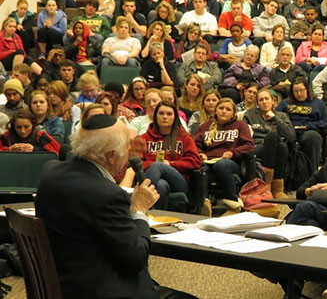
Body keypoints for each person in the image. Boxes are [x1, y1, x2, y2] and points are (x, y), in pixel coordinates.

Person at [36, 114, 195, 298]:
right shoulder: (107, 194)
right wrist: (139, 210)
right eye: (128, 145)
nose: (130, 150)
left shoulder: (51, 173)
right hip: (101, 289)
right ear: (111, 156)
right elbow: (136, 258)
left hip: (65, 282)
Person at [138, 101, 201, 209]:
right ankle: (157, 219)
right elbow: (137, 163)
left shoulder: (184, 137)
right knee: (161, 185)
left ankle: (140, 201)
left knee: (158, 165)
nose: (165, 117)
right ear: (155, 116)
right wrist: (153, 164)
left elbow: (195, 162)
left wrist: (171, 164)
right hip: (154, 179)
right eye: (161, 113)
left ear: (175, 117)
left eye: (169, 114)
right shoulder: (144, 138)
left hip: (179, 181)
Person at [193, 98, 254, 205]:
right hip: (208, 160)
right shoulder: (205, 126)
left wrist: (232, 152)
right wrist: (200, 153)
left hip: (230, 162)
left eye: (228, 109)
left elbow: (248, 146)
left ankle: (233, 200)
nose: (224, 111)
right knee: (199, 167)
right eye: (221, 108)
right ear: (216, 110)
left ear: (233, 114)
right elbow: (193, 144)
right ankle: (201, 203)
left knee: (221, 165)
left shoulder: (240, 125)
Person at [276, 77, 327, 169]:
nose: (299, 94)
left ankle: (311, 173)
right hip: (289, 131)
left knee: (312, 138)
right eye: (295, 91)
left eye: (301, 90)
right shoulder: (285, 103)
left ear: (307, 89)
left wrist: (309, 126)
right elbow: (276, 118)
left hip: (309, 130)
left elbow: (326, 121)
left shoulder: (318, 103)